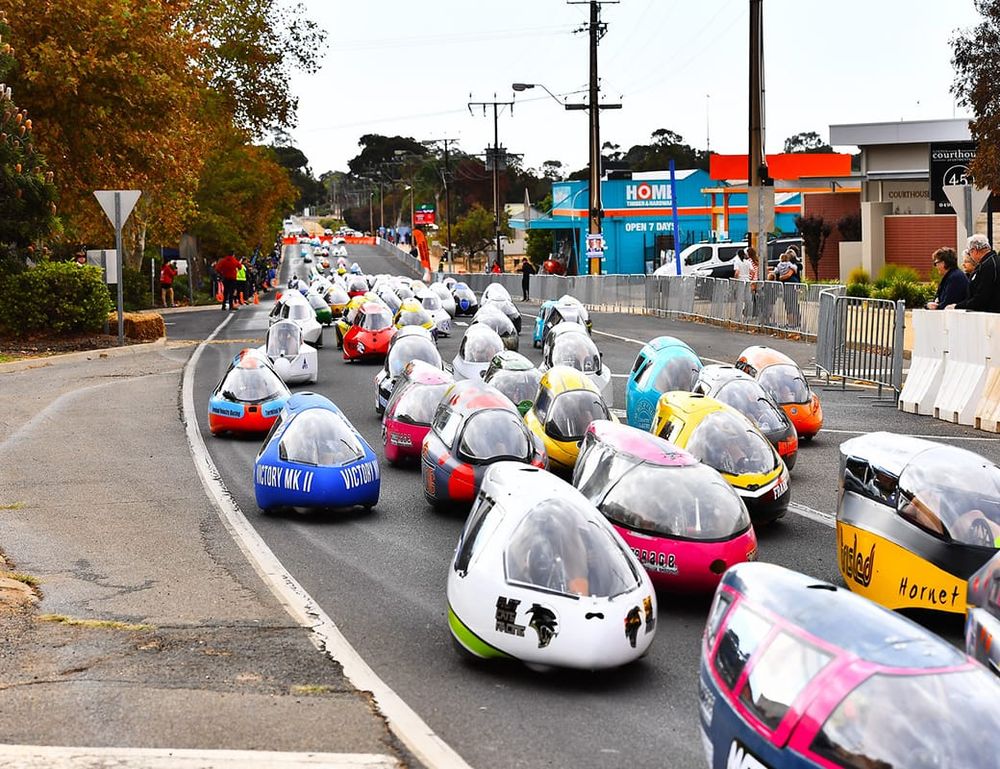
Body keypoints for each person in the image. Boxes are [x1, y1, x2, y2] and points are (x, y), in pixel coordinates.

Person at [949, 233, 1000, 312]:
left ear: (974, 250)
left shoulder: (987, 266)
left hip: (991, 315)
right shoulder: (991, 262)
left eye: (970, 253)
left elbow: (981, 297)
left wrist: (957, 306)